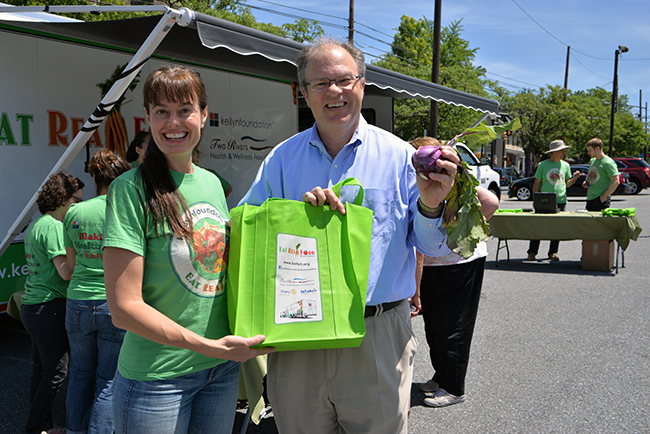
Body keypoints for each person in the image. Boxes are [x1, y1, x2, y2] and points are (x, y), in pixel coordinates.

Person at [238, 37, 460, 434]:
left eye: (344, 80)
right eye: (320, 84)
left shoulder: (399, 157)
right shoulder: (281, 159)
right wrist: (292, 218)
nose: (334, 91)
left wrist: (430, 206)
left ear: (362, 84)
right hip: (298, 332)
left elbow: (431, 246)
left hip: (376, 334)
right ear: (303, 93)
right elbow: (247, 232)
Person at [102, 65, 273, 434]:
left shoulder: (212, 183)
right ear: (147, 117)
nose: (173, 122)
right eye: (161, 111)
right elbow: (123, 309)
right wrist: (209, 346)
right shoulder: (130, 190)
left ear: (204, 115)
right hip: (157, 378)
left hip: (220, 371)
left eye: (184, 110)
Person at [409, 136, 499, 408]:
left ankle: (454, 387)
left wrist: (458, 223)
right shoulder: (418, 181)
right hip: (433, 264)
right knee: (434, 325)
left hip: (460, 262)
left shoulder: (456, 179)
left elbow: (491, 203)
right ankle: (441, 376)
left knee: (454, 326)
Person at [63, 149, 131, 434]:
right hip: (111, 303)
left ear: (96, 180)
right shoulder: (125, 211)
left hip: (77, 302)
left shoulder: (75, 211)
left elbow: (71, 262)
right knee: (108, 379)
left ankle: (74, 431)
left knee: (78, 374)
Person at [21, 172, 85, 434]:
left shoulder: (38, 224)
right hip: (50, 307)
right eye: (76, 200)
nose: (79, 205)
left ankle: (42, 423)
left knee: (42, 370)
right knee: (56, 374)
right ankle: (35, 427)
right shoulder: (55, 227)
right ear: (62, 198)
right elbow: (66, 272)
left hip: (32, 306)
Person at [526, 140, 582, 261]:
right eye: (562, 150)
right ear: (554, 152)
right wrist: (535, 198)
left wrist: (575, 178)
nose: (564, 152)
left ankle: (552, 253)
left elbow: (567, 184)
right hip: (544, 200)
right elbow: (537, 183)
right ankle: (532, 252)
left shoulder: (566, 165)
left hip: (561, 200)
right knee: (539, 226)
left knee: (557, 228)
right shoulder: (543, 165)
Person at [583, 137, 620, 211]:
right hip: (590, 198)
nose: (588, 153)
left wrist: (604, 196)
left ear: (597, 149)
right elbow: (590, 174)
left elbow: (616, 181)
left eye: (590, 150)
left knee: (599, 222)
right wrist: (586, 182)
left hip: (600, 199)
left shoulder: (608, 162)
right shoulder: (592, 161)